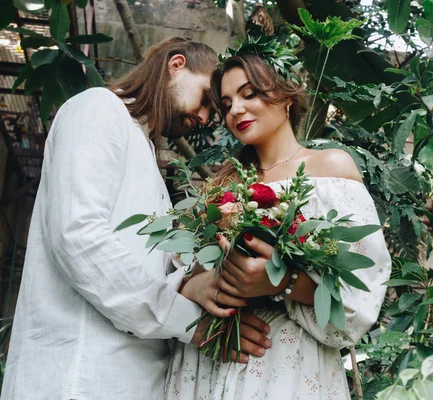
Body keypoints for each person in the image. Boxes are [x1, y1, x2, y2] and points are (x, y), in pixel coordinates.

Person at [1, 38, 271, 400]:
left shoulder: (147, 158)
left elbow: (142, 265)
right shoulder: (98, 109)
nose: (205, 118)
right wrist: (187, 321)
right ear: (176, 65)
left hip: (129, 379)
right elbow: (78, 236)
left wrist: (196, 283)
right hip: (79, 375)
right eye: (207, 99)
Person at [165, 54, 393, 399]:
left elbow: (360, 293)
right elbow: (177, 275)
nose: (235, 111)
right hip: (210, 359)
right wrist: (197, 285)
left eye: (249, 94)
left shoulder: (330, 168)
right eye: (226, 104)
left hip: (283, 362)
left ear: (286, 96)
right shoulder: (222, 186)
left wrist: (282, 282)